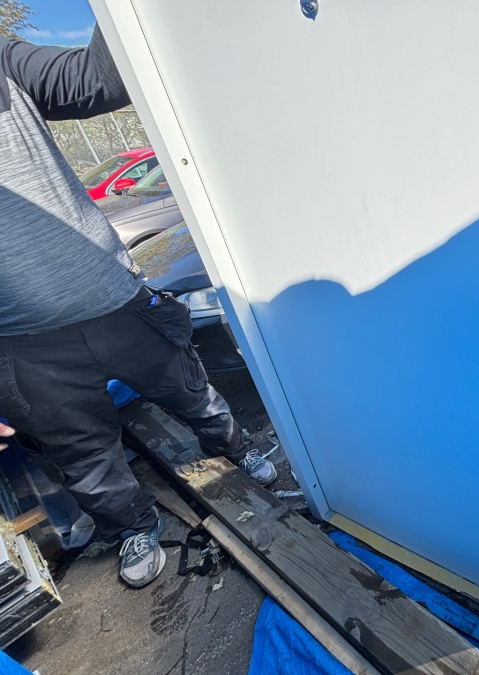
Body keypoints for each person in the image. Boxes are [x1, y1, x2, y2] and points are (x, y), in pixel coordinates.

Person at [0, 27, 276, 589]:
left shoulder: (4, 63)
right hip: (24, 344)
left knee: (191, 391)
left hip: (117, 299)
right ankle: (133, 526)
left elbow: (99, 79)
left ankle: (238, 450)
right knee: (85, 458)